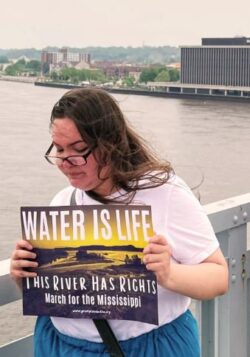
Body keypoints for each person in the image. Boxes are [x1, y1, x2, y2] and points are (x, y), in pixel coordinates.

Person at [9, 88, 229, 356]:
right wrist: (24, 274)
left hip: (147, 347)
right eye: (59, 150)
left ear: (110, 143)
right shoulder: (62, 201)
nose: (66, 162)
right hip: (60, 345)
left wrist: (169, 274)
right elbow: (51, 295)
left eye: (78, 150)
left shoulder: (164, 193)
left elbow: (219, 277)